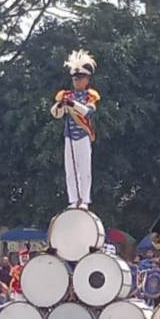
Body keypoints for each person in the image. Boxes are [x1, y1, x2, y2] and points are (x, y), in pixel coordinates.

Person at [50, 50, 100, 209]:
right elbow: (56, 113)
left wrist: (71, 104)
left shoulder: (89, 96)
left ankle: (84, 199)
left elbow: (87, 112)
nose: (77, 81)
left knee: (84, 170)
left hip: (83, 135)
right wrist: (60, 105)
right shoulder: (66, 95)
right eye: (75, 78)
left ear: (87, 79)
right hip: (69, 137)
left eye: (80, 78)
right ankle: (73, 199)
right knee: (70, 170)